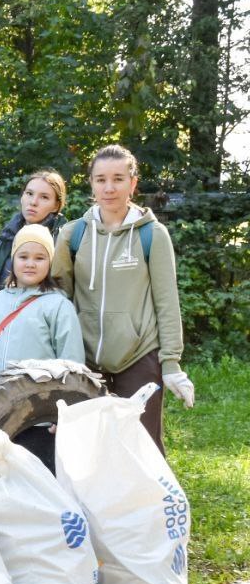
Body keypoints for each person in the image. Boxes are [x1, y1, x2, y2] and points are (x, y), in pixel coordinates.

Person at [51, 144, 192, 451]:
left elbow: (166, 302)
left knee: (142, 445)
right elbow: (59, 299)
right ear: (91, 183)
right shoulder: (73, 235)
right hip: (85, 358)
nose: (109, 187)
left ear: (133, 183)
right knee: (89, 447)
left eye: (118, 178)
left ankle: (151, 500)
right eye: (100, 179)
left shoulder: (152, 234)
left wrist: (170, 364)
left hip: (139, 355)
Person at [0, 225, 83, 468]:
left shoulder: (58, 306)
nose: (30, 263)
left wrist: (66, 413)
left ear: (50, 263)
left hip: (38, 418)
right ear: (12, 259)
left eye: (39, 258)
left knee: (37, 485)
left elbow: (72, 364)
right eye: (23, 256)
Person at [0, 169, 69, 296]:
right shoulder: (3, 240)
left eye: (44, 197)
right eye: (29, 193)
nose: (33, 202)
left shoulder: (63, 244)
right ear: (22, 197)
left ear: (56, 205)